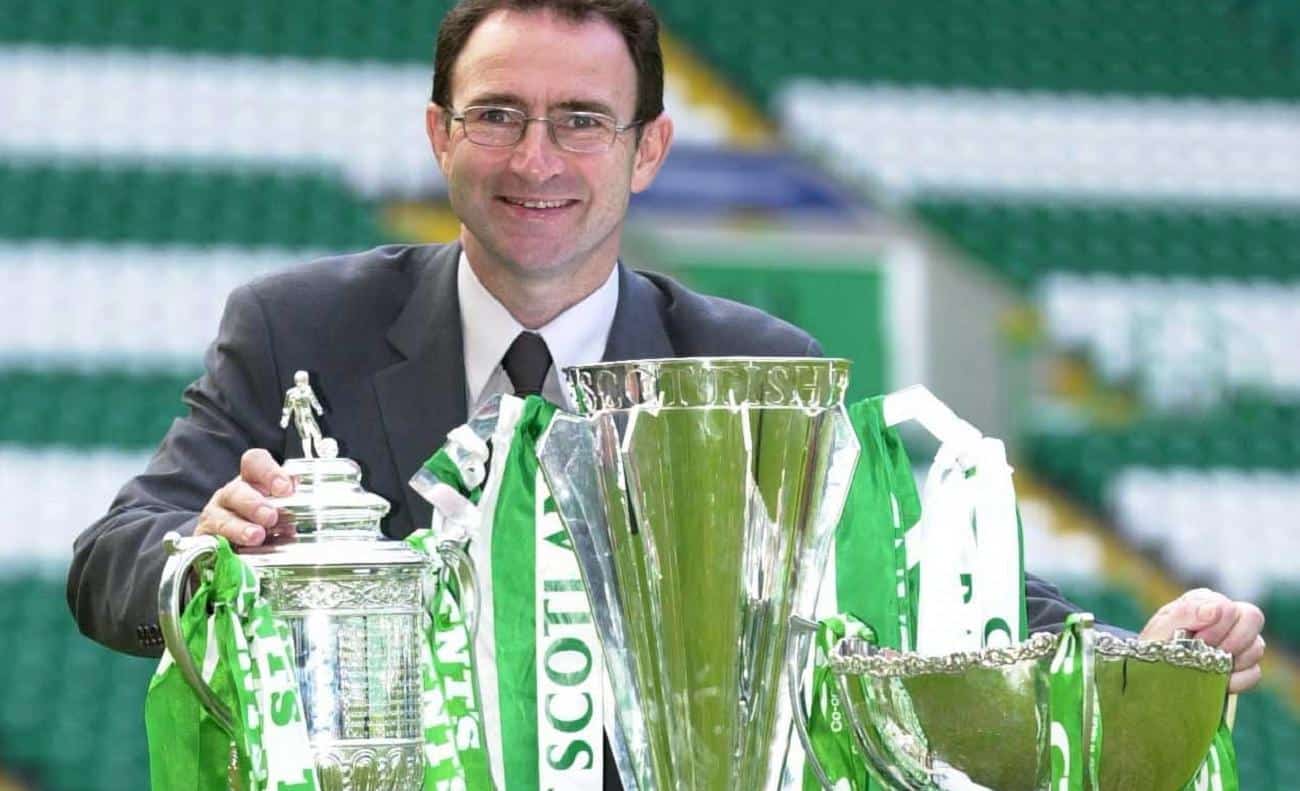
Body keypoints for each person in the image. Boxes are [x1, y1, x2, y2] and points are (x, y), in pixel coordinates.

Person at [68, 0, 1265, 784]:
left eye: (581, 121)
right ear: (440, 134)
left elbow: (919, 575)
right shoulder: (297, 328)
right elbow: (110, 558)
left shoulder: (751, 365)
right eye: (498, 115)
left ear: (648, 148)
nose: (536, 159)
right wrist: (208, 552)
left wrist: (1133, 654)